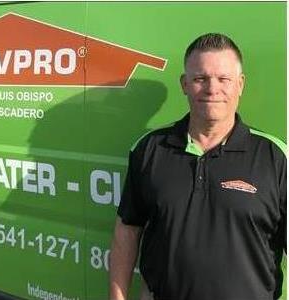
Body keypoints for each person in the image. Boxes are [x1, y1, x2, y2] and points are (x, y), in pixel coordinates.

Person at [109, 33, 286, 300]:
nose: (212, 89)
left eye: (224, 79)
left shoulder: (275, 156)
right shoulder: (150, 149)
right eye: (200, 78)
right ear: (184, 84)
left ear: (240, 85)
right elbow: (127, 230)